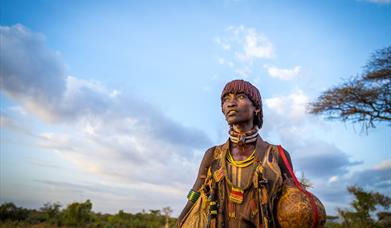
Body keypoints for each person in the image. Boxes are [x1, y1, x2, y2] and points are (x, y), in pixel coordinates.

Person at [176, 79, 324, 228]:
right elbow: (195, 194)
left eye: (240, 97)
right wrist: (179, 223)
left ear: (256, 108)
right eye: (226, 99)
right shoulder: (213, 154)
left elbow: (295, 203)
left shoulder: (276, 154)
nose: (231, 103)